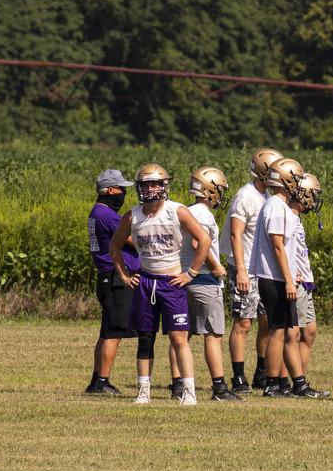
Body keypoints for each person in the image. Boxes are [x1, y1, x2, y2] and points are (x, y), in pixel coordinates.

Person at [109, 165, 214, 405]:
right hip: (146, 281)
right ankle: (143, 389)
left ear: (164, 186)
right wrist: (125, 275)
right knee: (145, 338)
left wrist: (191, 273)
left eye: (154, 184)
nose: (150, 189)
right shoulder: (133, 215)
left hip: (171, 282)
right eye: (145, 185)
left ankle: (189, 390)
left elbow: (204, 240)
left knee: (179, 339)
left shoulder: (177, 211)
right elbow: (114, 247)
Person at [250, 157, 325, 398]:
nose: (298, 184)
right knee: (278, 331)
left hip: (279, 277)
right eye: (295, 178)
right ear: (286, 180)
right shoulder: (275, 205)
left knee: (284, 331)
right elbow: (278, 246)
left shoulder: (279, 205)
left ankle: (298, 384)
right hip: (275, 278)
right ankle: (272, 384)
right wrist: (289, 280)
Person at [183, 165, 241, 402]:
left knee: (181, 335)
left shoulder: (185, 210)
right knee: (212, 334)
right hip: (204, 279)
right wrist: (215, 266)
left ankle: (179, 385)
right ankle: (219, 388)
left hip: (183, 278)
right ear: (209, 190)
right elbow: (199, 244)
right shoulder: (204, 214)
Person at [227, 149, 281, 393]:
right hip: (245, 267)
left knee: (266, 321)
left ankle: (261, 372)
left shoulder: (266, 194)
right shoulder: (245, 196)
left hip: (262, 270)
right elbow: (235, 233)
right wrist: (240, 270)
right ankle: (238, 378)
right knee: (243, 323)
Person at [86, 168, 139, 395]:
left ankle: (97, 379)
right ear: (110, 190)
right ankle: (102, 382)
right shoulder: (107, 215)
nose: (123, 193)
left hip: (107, 277)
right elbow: (135, 241)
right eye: (121, 189)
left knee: (107, 331)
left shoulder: (96, 212)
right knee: (114, 332)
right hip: (116, 278)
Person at [289, 171, 328, 396]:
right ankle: (296, 383)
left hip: (306, 281)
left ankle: (301, 381)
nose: (314, 199)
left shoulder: (298, 219)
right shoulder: (289, 218)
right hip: (296, 282)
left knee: (310, 332)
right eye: (312, 193)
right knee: (293, 334)